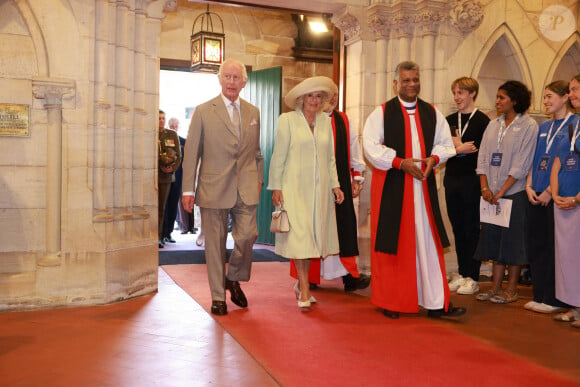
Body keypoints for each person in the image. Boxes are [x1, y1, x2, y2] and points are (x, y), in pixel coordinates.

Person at [362, 61, 464, 319]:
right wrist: (399, 162)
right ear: (396, 84)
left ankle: (435, 301)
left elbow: (444, 143)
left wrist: (435, 159)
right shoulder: (382, 113)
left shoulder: (431, 112)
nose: (412, 85)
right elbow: (371, 147)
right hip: (395, 187)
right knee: (394, 242)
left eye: (415, 80)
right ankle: (392, 300)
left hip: (423, 187)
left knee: (428, 243)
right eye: (406, 80)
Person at [181, 59, 264, 316]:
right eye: (226, 76)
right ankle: (218, 296)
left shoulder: (253, 112)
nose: (231, 81)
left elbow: (256, 152)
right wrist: (187, 190)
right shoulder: (204, 111)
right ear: (219, 79)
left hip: (246, 186)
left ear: (243, 82)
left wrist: (258, 179)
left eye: (235, 77)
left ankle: (233, 277)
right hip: (213, 187)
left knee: (247, 236)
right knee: (215, 245)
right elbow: (192, 153)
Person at [268, 76, 345, 311]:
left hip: (319, 191)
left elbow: (330, 157)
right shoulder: (287, 120)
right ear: (301, 99)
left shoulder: (325, 122)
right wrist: (276, 186)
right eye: (310, 96)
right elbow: (278, 154)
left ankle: (302, 285)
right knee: (300, 238)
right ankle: (304, 286)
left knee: (313, 238)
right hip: (294, 188)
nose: (314, 100)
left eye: (318, 96)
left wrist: (336, 185)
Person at [288, 77, 370, 292]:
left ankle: (349, 277)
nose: (331, 98)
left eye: (334, 94)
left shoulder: (344, 120)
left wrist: (357, 176)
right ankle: (309, 278)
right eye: (325, 94)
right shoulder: (302, 119)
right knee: (310, 229)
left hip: (338, 182)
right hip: (309, 184)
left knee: (343, 228)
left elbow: (353, 147)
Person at [474, 80, 538, 304]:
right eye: (497, 97)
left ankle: (511, 289)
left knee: (512, 243)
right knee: (494, 241)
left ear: (515, 100)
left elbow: (522, 164)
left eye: (502, 97)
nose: (497, 101)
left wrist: (500, 191)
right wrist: (485, 187)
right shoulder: (493, 125)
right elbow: (482, 158)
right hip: (491, 194)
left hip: (514, 193)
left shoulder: (529, 126)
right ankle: (494, 287)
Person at [524, 81, 573, 314]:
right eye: (544, 97)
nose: (545, 101)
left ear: (565, 98)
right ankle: (540, 294)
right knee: (536, 245)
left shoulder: (574, 124)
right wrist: (529, 184)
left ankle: (555, 299)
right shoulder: (544, 126)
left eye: (550, 96)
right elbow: (536, 158)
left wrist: (549, 193)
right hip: (535, 192)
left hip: (556, 196)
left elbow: (564, 163)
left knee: (554, 248)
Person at [445, 77, 490, 295]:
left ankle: (472, 275)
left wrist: (457, 146)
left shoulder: (482, 121)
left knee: (471, 228)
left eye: (460, 93)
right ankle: (462, 273)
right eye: (454, 93)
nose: (457, 97)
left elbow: (481, 150)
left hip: (472, 181)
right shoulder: (449, 120)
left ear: (472, 93)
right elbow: (441, 148)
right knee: (457, 228)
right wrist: (458, 148)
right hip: (452, 179)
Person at [551, 74, 580, 328]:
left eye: (577, 89)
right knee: (569, 256)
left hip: (578, 201)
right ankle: (575, 306)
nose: (572, 94)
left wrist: (578, 197)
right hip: (564, 200)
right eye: (571, 89)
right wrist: (555, 191)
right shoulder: (573, 124)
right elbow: (558, 161)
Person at [158, 110, 181, 249]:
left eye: (163, 118)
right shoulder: (148, 133)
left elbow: (178, 155)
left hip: (166, 177)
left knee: (162, 208)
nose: (161, 120)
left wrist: (171, 169)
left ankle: (159, 237)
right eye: (159, 118)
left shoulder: (171, 134)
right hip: (150, 176)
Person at [161, 118, 184, 244]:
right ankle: (161, 233)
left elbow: (183, 159)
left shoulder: (183, 141)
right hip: (165, 176)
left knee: (173, 206)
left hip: (178, 176)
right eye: (172, 125)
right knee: (163, 206)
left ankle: (169, 233)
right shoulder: (163, 140)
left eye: (176, 125)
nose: (174, 127)